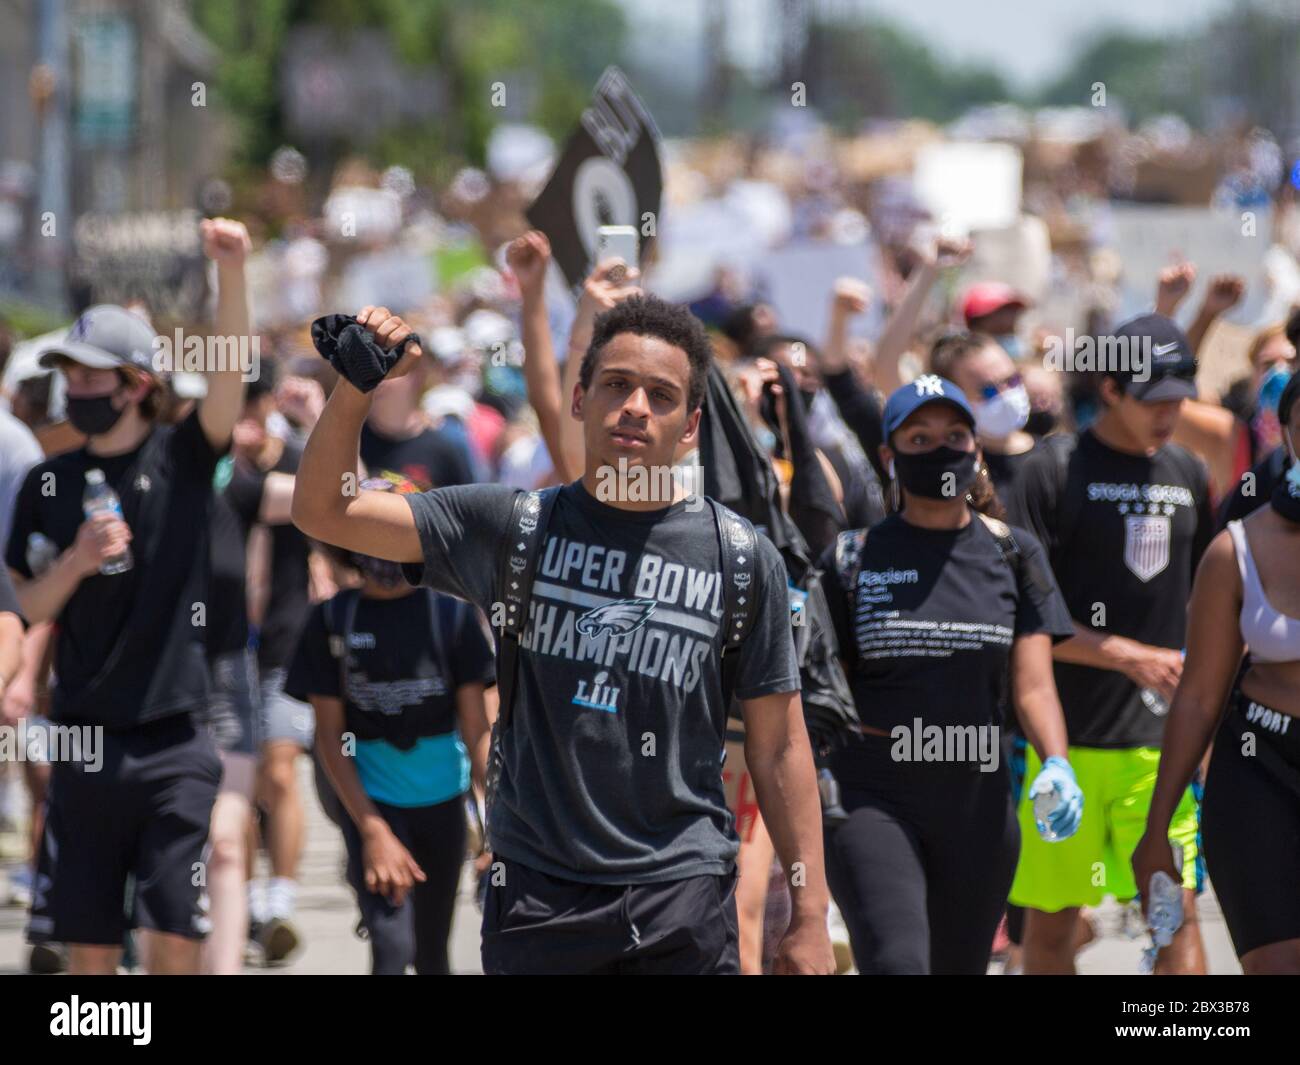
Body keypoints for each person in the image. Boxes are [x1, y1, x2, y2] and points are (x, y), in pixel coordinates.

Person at [291, 295, 835, 975]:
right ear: (579, 400)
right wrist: (356, 384)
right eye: (616, 384)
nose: (635, 405)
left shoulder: (740, 555)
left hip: (683, 895)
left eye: (660, 394)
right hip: (538, 897)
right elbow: (323, 508)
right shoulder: (511, 527)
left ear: (692, 425)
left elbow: (780, 743)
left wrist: (810, 914)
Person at [4, 217, 248, 975]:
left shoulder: (182, 455)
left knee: (177, 936)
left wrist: (231, 270)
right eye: (68, 375)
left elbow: (230, 382)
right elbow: (29, 607)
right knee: (91, 951)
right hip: (82, 742)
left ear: (138, 384)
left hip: (174, 740)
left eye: (92, 376)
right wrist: (77, 561)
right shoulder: (47, 482)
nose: (76, 389)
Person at [817, 375, 1079, 974]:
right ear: (889, 456)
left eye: (955, 435)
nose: (940, 450)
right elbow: (822, 691)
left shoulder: (1016, 554)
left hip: (979, 798)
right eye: (919, 437)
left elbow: (1034, 684)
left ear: (976, 450)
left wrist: (1057, 763)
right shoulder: (852, 558)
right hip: (872, 794)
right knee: (900, 961)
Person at [1006, 314, 1213, 975]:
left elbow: (1207, 602)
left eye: (1180, 398)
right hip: (1060, 747)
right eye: (1154, 399)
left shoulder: (1189, 471)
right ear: (1112, 388)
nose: (1170, 413)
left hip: (1157, 748)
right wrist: (1128, 653)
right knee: (1052, 927)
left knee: (1170, 915)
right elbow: (1024, 612)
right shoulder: (1051, 469)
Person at [285, 485, 492, 974]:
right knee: (391, 947)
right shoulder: (331, 621)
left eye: (394, 532)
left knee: (431, 953)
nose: (381, 548)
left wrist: (493, 823)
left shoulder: (452, 616)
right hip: (371, 804)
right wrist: (373, 831)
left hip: (442, 802)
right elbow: (330, 741)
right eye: (367, 533)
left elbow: (477, 731)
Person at [1133, 372, 1300, 973]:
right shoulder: (1236, 550)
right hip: (1259, 768)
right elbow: (1200, 698)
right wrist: (1158, 829)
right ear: (1286, 436)